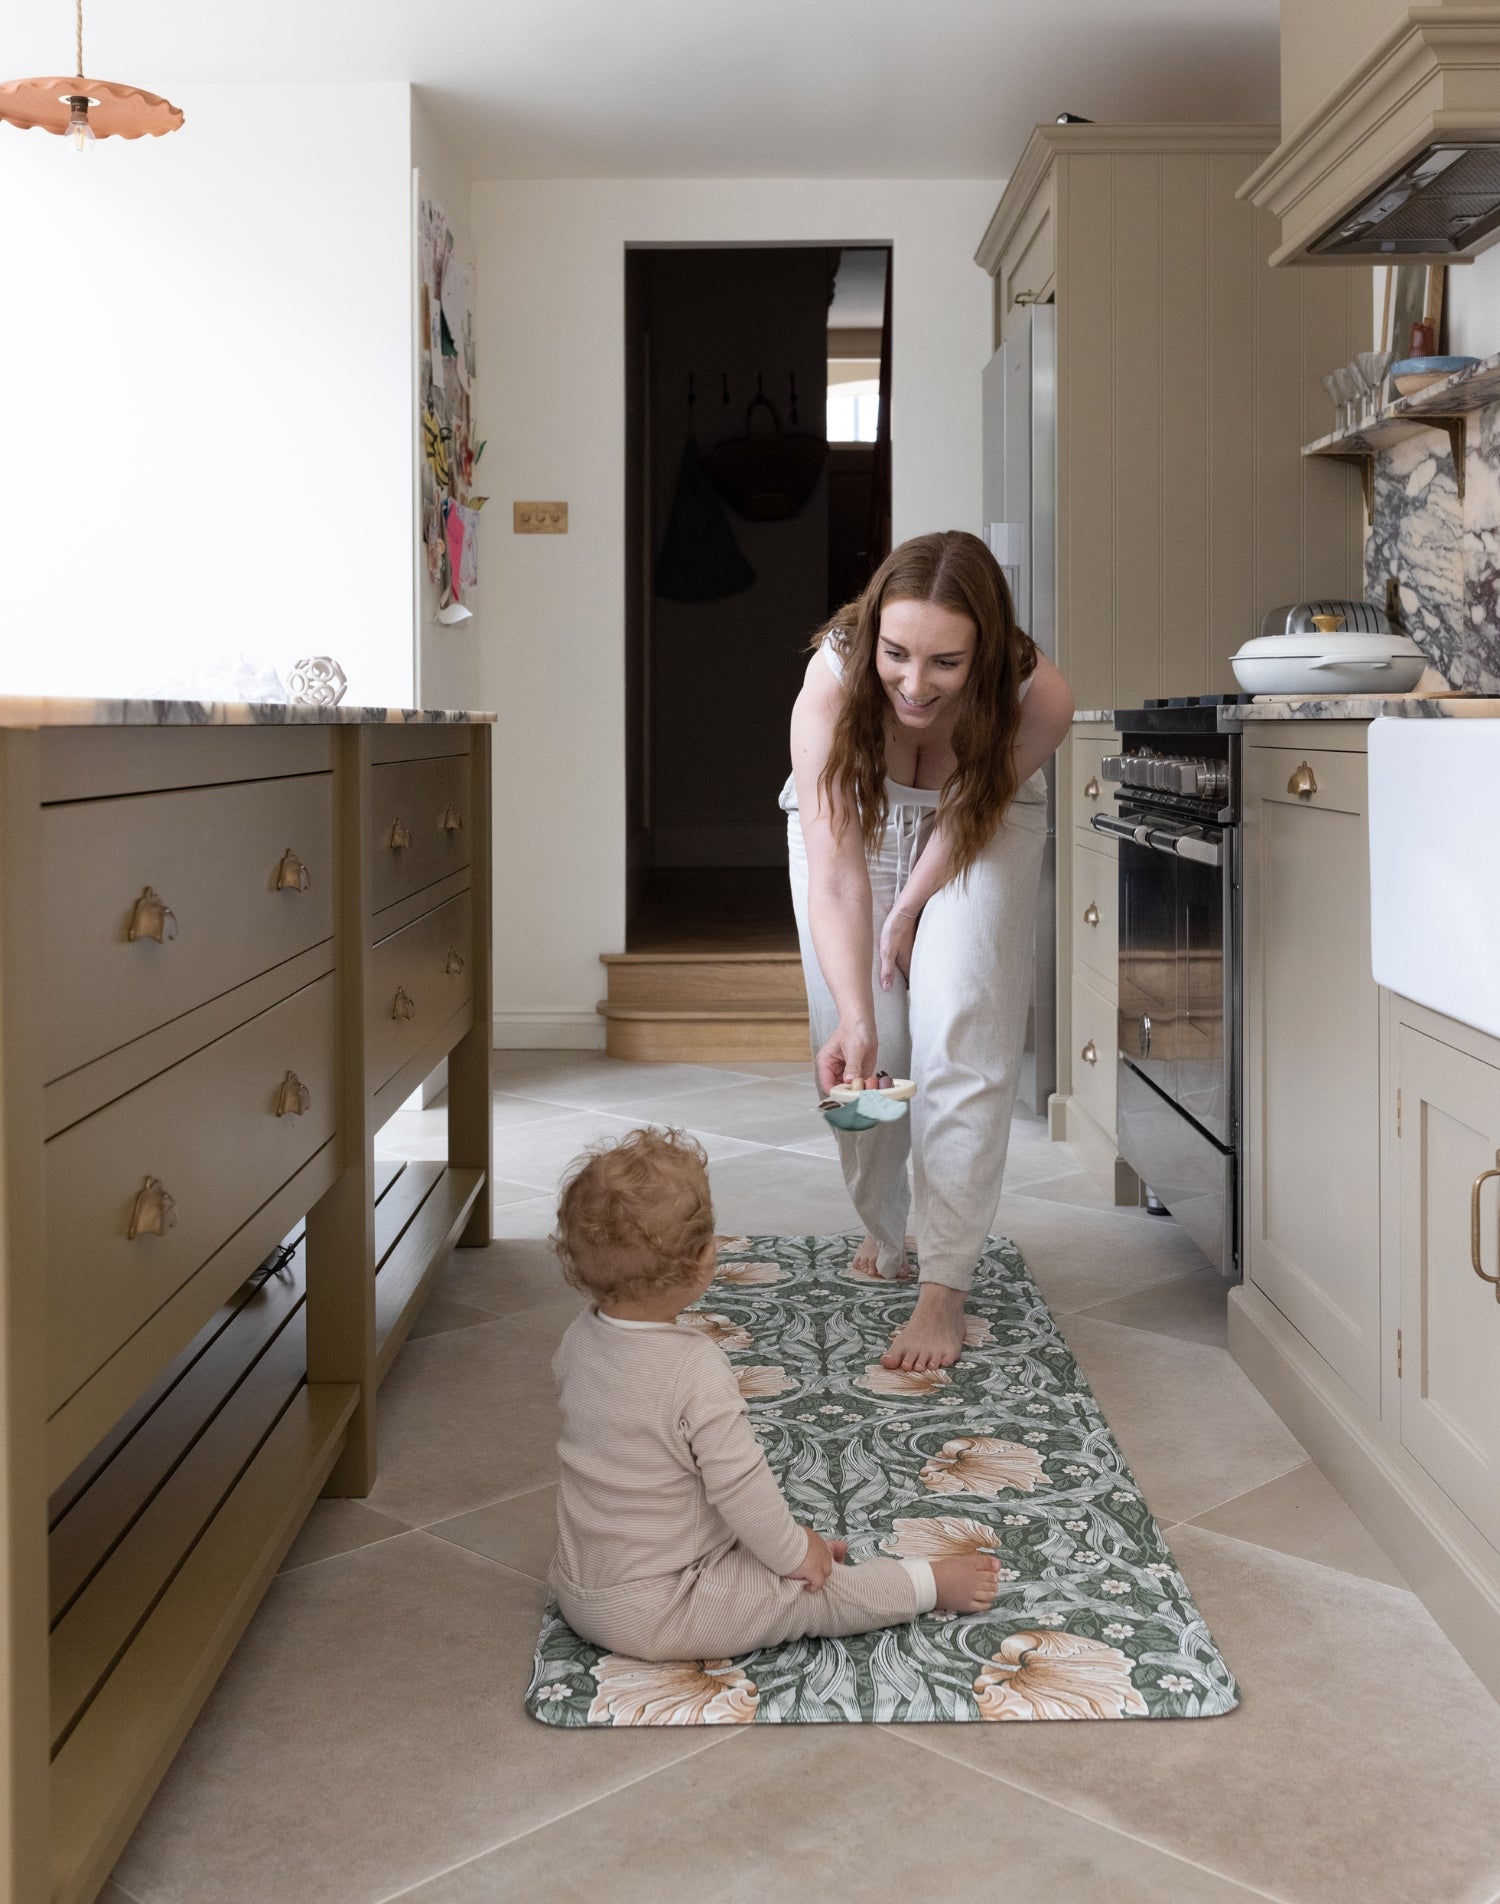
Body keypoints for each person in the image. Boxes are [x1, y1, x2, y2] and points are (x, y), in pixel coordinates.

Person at [782, 530, 1074, 1374]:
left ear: (984, 654)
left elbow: (970, 812)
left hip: (981, 824)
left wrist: (910, 907)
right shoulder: (832, 688)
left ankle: (944, 1284)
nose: (914, 686)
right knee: (870, 1046)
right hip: (858, 825)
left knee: (960, 1031)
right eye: (897, 655)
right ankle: (884, 1223)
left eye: (946, 664)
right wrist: (858, 1013)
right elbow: (836, 875)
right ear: (872, 633)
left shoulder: (1038, 697)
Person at [546, 1126, 1000, 1664]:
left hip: (580, 1586)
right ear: (701, 1260)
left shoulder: (578, 1337)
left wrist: (779, 1545)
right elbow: (740, 1488)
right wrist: (790, 1557)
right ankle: (924, 1586)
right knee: (810, 1595)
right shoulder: (693, 1367)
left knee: (748, 1539)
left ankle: (776, 1554)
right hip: (663, 1609)